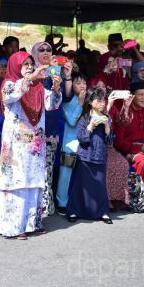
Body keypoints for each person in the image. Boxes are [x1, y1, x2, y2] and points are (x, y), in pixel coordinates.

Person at [0, 51, 61, 239]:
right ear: (16, 66)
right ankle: (15, 227)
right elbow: (12, 94)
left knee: (34, 182)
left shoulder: (38, 86)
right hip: (16, 146)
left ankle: (32, 223)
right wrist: (31, 78)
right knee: (17, 183)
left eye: (32, 64)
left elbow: (53, 104)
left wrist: (56, 87)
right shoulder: (9, 84)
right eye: (26, 65)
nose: (30, 67)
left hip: (34, 145)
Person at [31, 41, 73, 215]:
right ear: (34, 53)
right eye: (41, 50)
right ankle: (32, 206)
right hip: (32, 127)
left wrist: (66, 76)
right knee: (33, 168)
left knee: (47, 168)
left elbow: (66, 97)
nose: (46, 52)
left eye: (49, 49)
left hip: (51, 126)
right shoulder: (30, 72)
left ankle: (45, 207)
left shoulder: (55, 72)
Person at [67, 87, 114, 224]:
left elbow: (110, 141)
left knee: (99, 186)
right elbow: (82, 138)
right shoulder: (84, 118)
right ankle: (74, 211)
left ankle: (102, 212)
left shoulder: (107, 118)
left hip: (100, 156)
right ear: (90, 102)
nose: (102, 103)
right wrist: (90, 126)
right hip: (84, 156)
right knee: (80, 185)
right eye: (98, 101)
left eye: (103, 100)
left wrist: (107, 127)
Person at [57, 72, 87, 215]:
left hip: (84, 141)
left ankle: (79, 201)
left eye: (84, 83)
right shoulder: (66, 101)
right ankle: (61, 202)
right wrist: (80, 103)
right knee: (66, 173)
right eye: (78, 83)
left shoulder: (89, 99)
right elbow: (71, 121)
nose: (82, 86)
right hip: (69, 142)